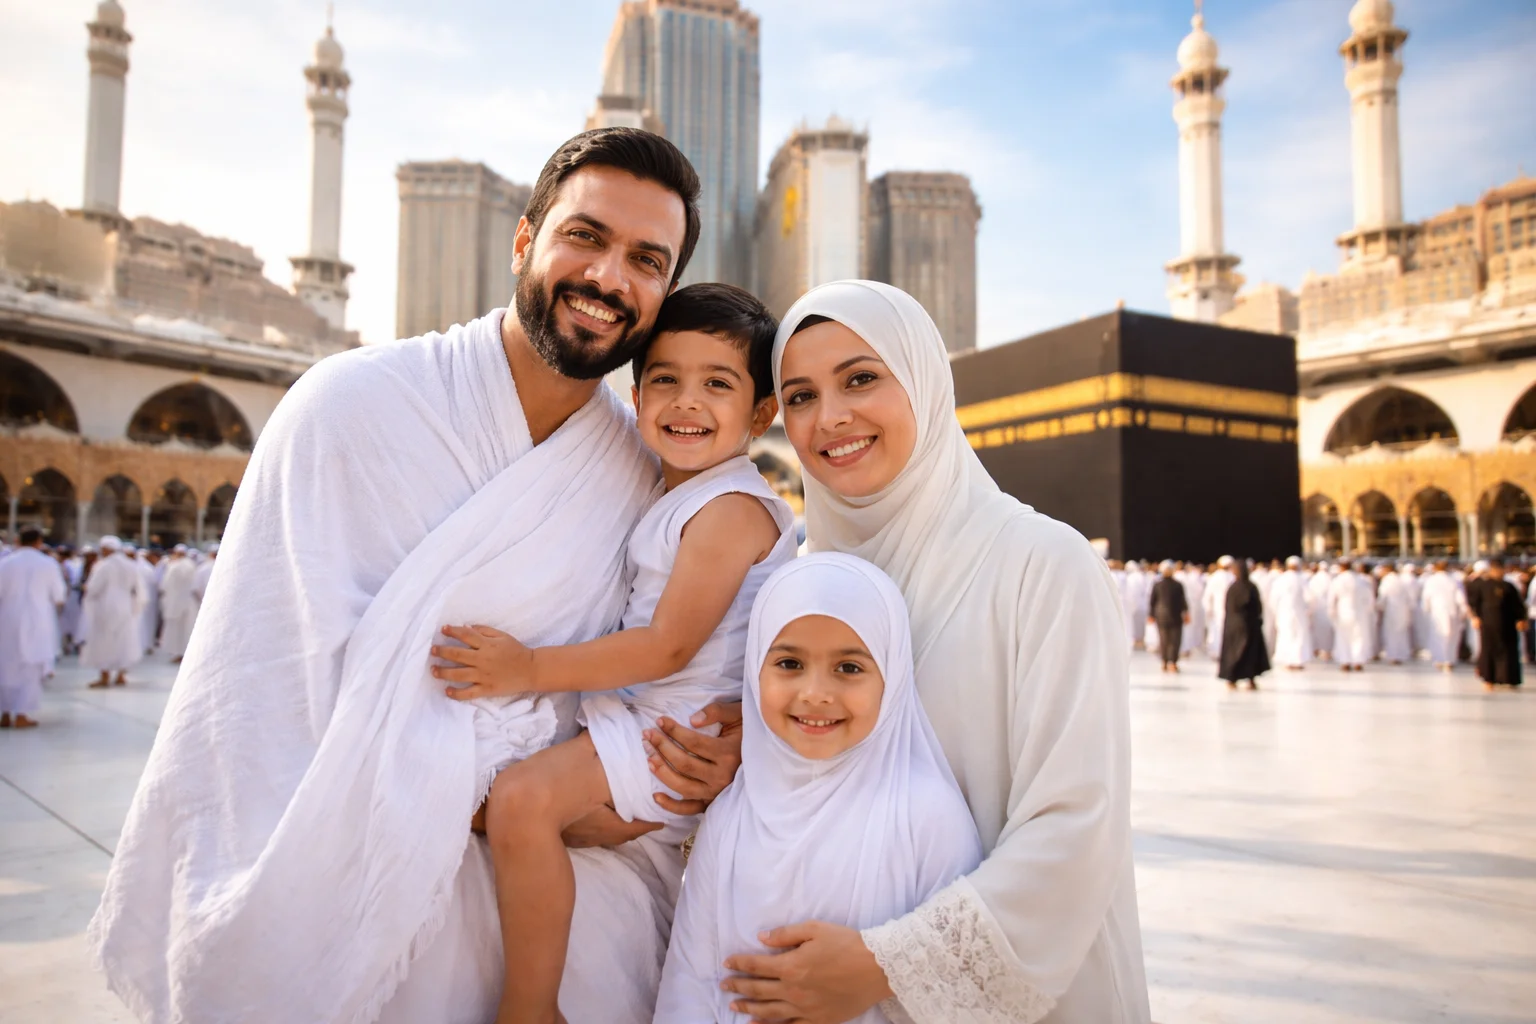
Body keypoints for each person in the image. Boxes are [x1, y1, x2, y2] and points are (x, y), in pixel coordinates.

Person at [90, 129, 744, 1024]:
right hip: (357, 865)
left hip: (573, 902)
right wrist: (493, 807)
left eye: (645, 259)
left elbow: (680, 655)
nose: (608, 278)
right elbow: (256, 703)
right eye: (585, 237)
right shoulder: (346, 408)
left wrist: (725, 741)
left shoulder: (642, 471)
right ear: (524, 240)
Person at [721, 280, 1148, 1023]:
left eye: (861, 379)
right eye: (801, 396)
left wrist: (891, 965)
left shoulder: (1040, 563)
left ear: (923, 379)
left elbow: (1078, 821)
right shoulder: (807, 582)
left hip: (1024, 991)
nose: (832, 417)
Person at [429, 283, 795, 1024]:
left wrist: (527, 667)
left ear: (761, 414)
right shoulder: (676, 494)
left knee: (521, 802)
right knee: (470, 803)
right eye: (666, 379)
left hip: (669, 740)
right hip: (637, 727)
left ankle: (531, 1008)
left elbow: (668, 646)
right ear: (635, 394)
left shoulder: (728, 509)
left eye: (717, 384)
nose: (686, 402)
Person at [655, 554, 982, 1023]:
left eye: (849, 668)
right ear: (755, 671)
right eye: (789, 663)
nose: (815, 693)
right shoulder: (733, 815)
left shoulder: (927, 817)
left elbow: (957, 987)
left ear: (892, 677)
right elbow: (689, 980)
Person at [0, 528, 68, 729]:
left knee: (6, 664)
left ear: (19, 540)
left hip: (8, 618)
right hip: (38, 620)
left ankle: (4, 713)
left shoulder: (6, 563)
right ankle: (21, 714)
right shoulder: (48, 563)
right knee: (31, 666)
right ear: (39, 542)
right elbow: (59, 596)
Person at [81, 535, 146, 688]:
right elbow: (138, 589)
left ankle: (104, 676)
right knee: (123, 639)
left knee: (104, 640)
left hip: (106, 606)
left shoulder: (103, 565)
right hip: (125, 605)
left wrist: (87, 591)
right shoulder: (131, 564)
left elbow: (94, 587)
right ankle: (121, 675)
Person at [1469, 558, 1525, 690]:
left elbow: (1518, 605)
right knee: (1489, 650)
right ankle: (1489, 678)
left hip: (1508, 623)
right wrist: (1475, 617)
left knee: (1509, 651)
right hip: (1488, 623)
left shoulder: (1509, 586)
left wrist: (1521, 619)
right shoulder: (1483, 585)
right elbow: (1474, 603)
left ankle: (1509, 678)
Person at [1218, 561, 1269, 690]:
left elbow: (1227, 607)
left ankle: (1232, 679)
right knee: (1250, 652)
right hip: (1249, 625)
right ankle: (1250, 679)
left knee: (1234, 652)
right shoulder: (1251, 587)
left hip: (1234, 625)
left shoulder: (1233, 587)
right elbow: (1258, 607)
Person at [1328, 560, 1375, 672]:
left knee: (1343, 637)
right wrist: (1367, 612)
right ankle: (1358, 661)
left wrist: (1332, 613)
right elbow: (1370, 599)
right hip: (1359, 613)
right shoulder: (1361, 580)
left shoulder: (1337, 581)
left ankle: (1345, 661)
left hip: (1343, 612)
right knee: (1358, 637)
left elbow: (1332, 599)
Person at [1420, 559, 1465, 671]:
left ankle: (1440, 659)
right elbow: (1460, 599)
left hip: (1437, 613)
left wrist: (1425, 611)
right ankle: (1450, 660)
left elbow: (1426, 598)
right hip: (1452, 612)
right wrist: (1463, 613)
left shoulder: (1431, 580)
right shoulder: (1454, 580)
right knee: (1452, 637)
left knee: (1438, 636)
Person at [156, 545, 199, 662]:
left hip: (175, 602)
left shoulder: (174, 566)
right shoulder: (191, 565)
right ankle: (184, 654)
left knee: (177, 629)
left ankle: (179, 654)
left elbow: (164, 585)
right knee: (186, 629)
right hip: (189, 602)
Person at [1269, 556, 1312, 670]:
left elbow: (1273, 599)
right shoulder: (1302, 580)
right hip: (1299, 614)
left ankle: (1288, 661)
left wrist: (1276, 612)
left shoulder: (1280, 579)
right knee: (1298, 636)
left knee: (1286, 635)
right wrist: (1308, 612)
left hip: (1284, 613)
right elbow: (1310, 598)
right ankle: (1297, 660)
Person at [1147, 560, 1188, 673]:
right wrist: (1151, 615)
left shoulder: (1177, 585)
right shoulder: (1158, 585)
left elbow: (1183, 601)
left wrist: (1186, 612)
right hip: (1165, 616)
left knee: (1173, 640)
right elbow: (1153, 601)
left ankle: (1171, 662)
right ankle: (1166, 661)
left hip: (1169, 615)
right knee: (1166, 640)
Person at [1376, 563, 1414, 665]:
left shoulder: (1387, 581)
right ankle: (1400, 655)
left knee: (1391, 634)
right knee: (1401, 633)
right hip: (1402, 611)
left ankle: (1393, 656)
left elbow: (1383, 597)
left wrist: (1377, 607)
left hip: (1392, 611)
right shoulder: (1400, 580)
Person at [1202, 555, 1236, 657]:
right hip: (1229, 609)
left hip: (1217, 609)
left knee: (1217, 630)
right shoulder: (1233, 577)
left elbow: (1207, 595)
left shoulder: (1215, 577)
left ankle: (1217, 652)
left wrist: (1208, 609)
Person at [1307, 561, 1335, 659]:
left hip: (1316, 609)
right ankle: (1327, 651)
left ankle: (1316, 649)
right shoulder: (1330, 579)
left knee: (1315, 630)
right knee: (1327, 631)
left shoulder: (1314, 579)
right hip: (1326, 609)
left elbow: (1310, 595)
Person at [1120, 560, 1149, 650]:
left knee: (1134, 623)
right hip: (1141, 604)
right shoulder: (1141, 576)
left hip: (1133, 604)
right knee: (1140, 624)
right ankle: (1140, 640)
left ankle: (1138, 640)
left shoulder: (1130, 578)